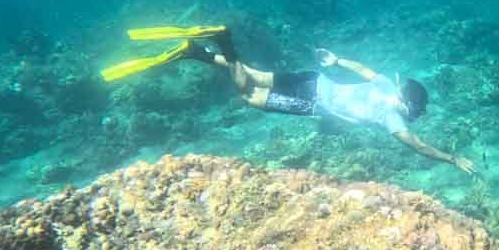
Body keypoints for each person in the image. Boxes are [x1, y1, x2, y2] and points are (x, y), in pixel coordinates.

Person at [101, 25, 475, 174]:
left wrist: (336, 60)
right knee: (248, 95)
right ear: (408, 106)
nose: (416, 118)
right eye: (417, 112)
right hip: (310, 102)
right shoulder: (392, 118)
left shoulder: (384, 86)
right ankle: (224, 42)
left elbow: (362, 69)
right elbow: (418, 146)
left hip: (314, 78)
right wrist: (452, 157)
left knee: (254, 74)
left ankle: (194, 52)